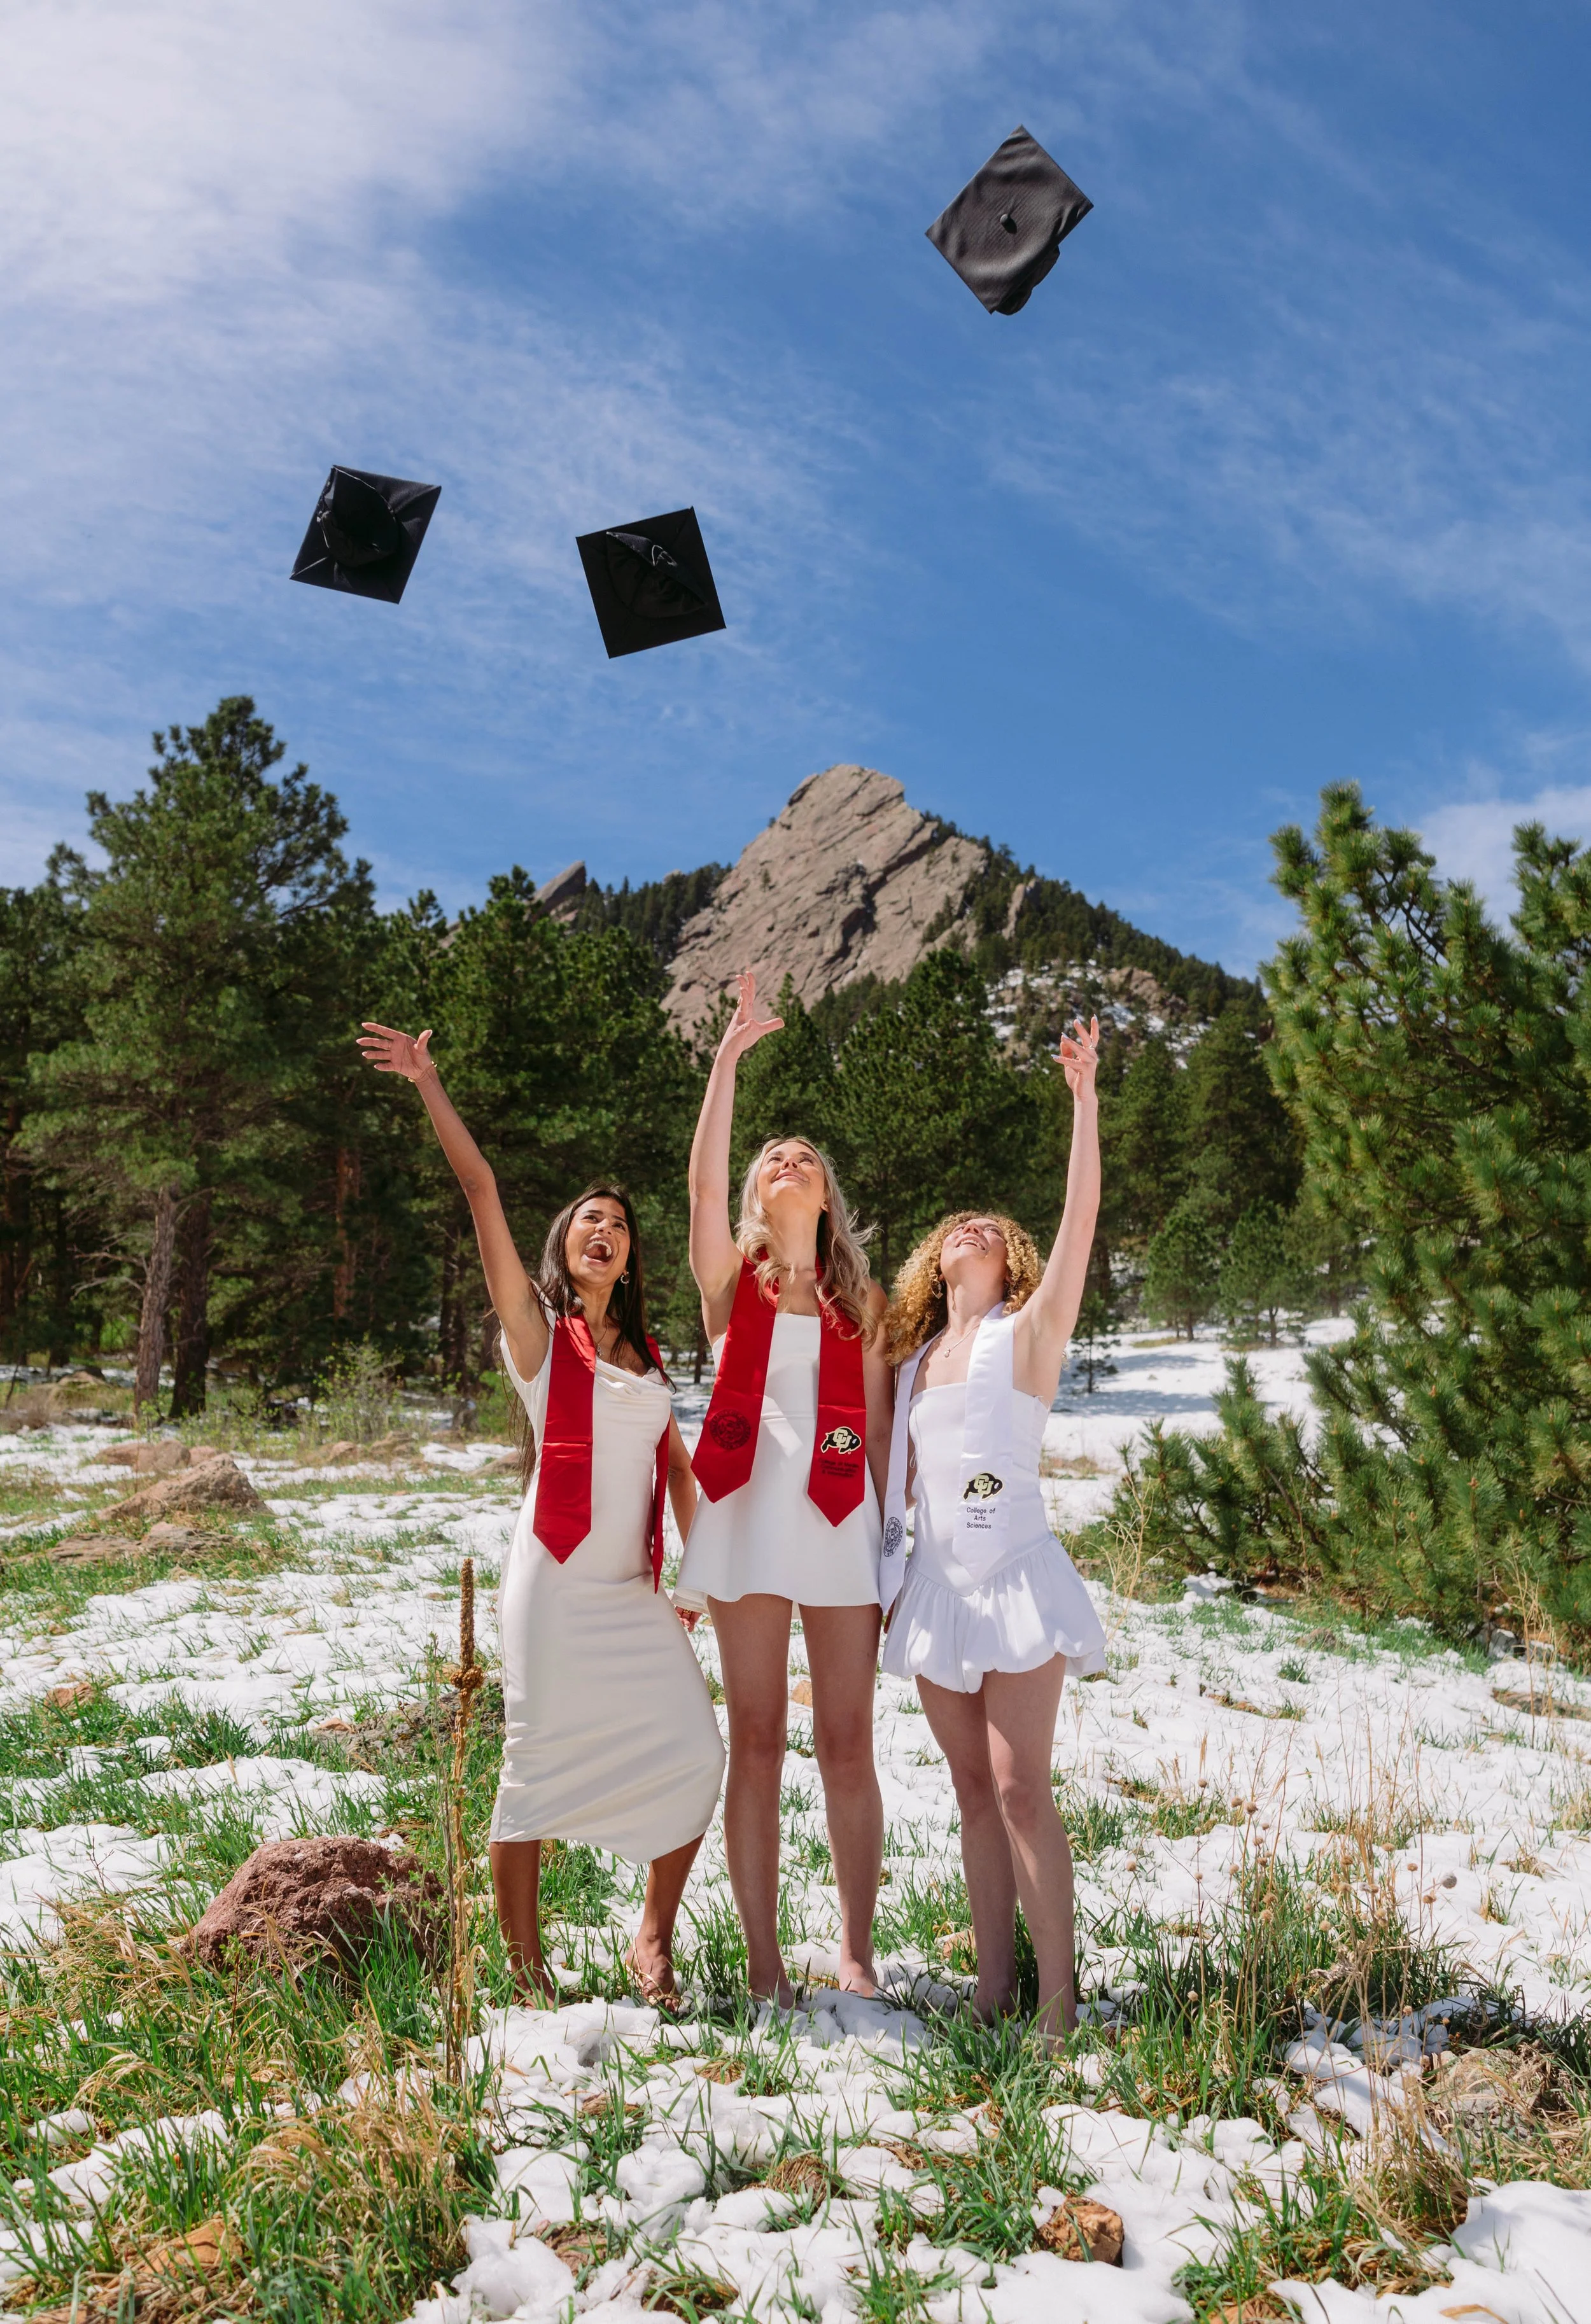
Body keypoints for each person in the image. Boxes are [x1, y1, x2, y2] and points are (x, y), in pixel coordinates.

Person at [358, 1021, 724, 2006]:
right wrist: (430, 1081)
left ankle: (654, 1938)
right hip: (555, 1585)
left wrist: (706, 1577)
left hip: (633, 1592)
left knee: (697, 1751)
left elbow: (681, 1473)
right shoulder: (541, 1340)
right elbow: (482, 1190)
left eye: (619, 1224)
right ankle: (524, 1971)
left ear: (631, 1253)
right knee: (535, 1764)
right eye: (586, 1220)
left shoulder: (648, 1362)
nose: (602, 1231)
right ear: (566, 1242)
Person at [880, 1015, 1106, 2041]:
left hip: (1015, 1573)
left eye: (989, 1225)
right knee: (971, 1792)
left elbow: (1080, 1224)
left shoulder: (1030, 1333)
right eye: (954, 1223)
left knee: (1021, 1789)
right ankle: (991, 1990)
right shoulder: (911, 1360)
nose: (971, 1225)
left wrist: (1084, 1103)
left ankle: (1058, 2006)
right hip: (936, 1589)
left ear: (1008, 1260)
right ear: (934, 1258)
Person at [677, 970, 892, 2003]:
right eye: (772, 1157)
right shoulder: (732, 1289)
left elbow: (886, 1436)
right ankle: (764, 1961)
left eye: (803, 1155)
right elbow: (698, 1185)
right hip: (751, 1520)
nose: (786, 1160)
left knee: (847, 1740)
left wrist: (898, 1555)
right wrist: (725, 1066)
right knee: (756, 1735)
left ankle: (854, 1948)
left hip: (843, 1525)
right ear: (757, 1196)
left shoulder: (864, 1303)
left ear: (827, 1193)